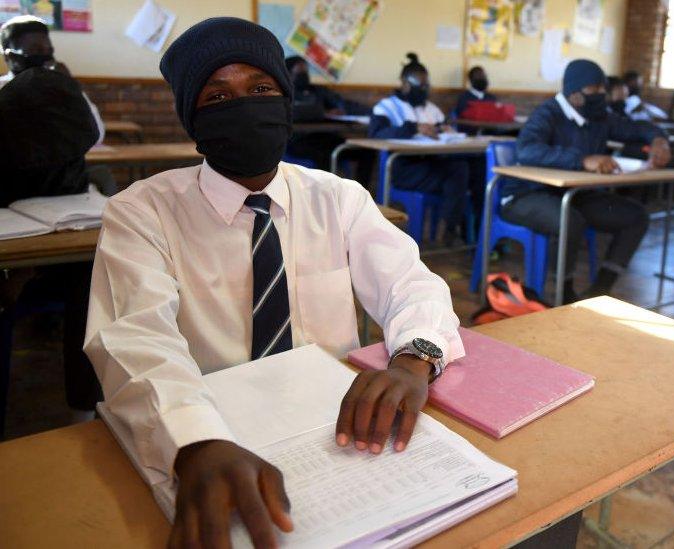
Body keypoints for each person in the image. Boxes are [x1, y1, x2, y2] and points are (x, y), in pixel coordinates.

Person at [84, 18, 464, 548]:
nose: (244, 105)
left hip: (338, 425)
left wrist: (414, 355)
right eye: (218, 96)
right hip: (211, 422)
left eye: (261, 89)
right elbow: (135, 337)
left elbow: (411, 283)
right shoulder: (142, 213)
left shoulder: (337, 198)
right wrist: (194, 441)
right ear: (192, 120)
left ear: (285, 103)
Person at [507, 59, 672, 301]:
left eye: (603, 89)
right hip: (526, 194)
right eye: (595, 90)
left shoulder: (598, 116)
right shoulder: (548, 113)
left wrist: (659, 139)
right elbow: (527, 150)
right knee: (570, 221)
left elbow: (636, 128)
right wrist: (583, 160)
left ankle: (600, 291)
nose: (602, 95)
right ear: (575, 95)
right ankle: (564, 294)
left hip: (574, 195)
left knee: (635, 217)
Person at [0, 66, 103, 422]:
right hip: (15, 251)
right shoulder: (16, 110)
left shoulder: (60, 108)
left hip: (69, 252)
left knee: (98, 282)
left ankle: (85, 410)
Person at [368, 53, 471, 243]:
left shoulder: (431, 108)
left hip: (431, 164)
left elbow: (445, 129)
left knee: (466, 168)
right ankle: (450, 230)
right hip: (403, 169)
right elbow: (376, 134)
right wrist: (413, 127)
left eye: (426, 86)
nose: (423, 90)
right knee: (457, 173)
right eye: (419, 86)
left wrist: (445, 130)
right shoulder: (386, 107)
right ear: (405, 84)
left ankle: (462, 232)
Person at [1, 15, 104, 146]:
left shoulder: (60, 86)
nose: (45, 57)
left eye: (49, 50)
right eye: (35, 50)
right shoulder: (3, 90)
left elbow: (97, 134)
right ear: (10, 57)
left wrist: (71, 89)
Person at [284, 55, 373, 184]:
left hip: (325, 137)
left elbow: (344, 105)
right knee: (324, 154)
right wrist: (322, 112)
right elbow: (295, 112)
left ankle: (363, 193)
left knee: (366, 151)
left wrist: (376, 112)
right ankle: (325, 197)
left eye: (305, 71)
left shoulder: (318, 91)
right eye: (299, 72)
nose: (304, 75)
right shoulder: (282, 93)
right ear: (287, 74)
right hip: (297, 141)